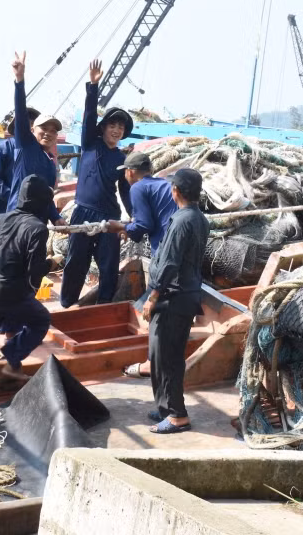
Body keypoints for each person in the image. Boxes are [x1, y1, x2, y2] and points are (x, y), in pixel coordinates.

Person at [0, 175, 58, 412]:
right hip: (9, 295)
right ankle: (11, 358)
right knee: (40, 320)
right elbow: (34, 275)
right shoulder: (37, 229)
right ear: (42, 203)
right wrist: (52, 263)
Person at [60, 59, 134, 308]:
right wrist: (93, 85)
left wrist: (131, 220)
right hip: (82, 212)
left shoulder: (122, 159)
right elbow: (89, 115)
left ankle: (104, 305)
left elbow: (126, 192)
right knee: (75, 262)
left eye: (121, 127)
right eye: (112, 125)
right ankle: (67, 304)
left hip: (108, 217)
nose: (116, 130)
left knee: (108, 265)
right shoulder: (90, 144)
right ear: (103, 128)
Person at [142, 168, 209, 434]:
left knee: (167, 357)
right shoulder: (199, 218)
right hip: (185, 295)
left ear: (175, 191)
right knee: (160, 354)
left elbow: (170, 262)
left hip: (173, 297)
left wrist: (153, 297)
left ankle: (177, 415)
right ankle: (164, 407)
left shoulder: (182, 221)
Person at [107, 151, 178, 379]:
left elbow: (144, 224)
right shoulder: (164, 184)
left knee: (152, 308)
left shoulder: (138, 187)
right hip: (179, 249)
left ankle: (151, 362)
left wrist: (121, 228)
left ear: (130, 172)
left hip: (165, 252)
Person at [6, 51, 63, 225]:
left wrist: (56, 217)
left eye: (53, 130)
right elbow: (21, 112)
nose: (48, 133)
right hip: (17, 221)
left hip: (38, 225)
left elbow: (46, 197)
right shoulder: (26, 146)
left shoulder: (50, 163)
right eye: (44, 128)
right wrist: (19, 80)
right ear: (32, 129)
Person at [0, 107, 41, 228]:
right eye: (27, 124)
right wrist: (16, 199)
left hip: (23, 219)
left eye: (33, 125)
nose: (30, 129)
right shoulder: (0, 149)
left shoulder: (38, 155)